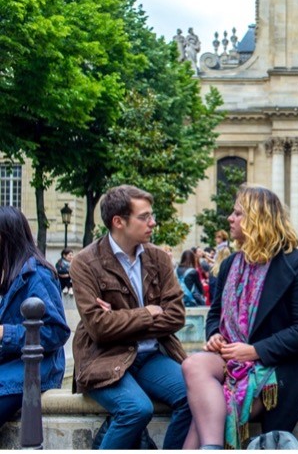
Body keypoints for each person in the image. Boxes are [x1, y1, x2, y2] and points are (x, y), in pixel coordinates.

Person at [181, 184, 298, 449]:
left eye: (238, 213)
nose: (230, 219)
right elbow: (215, 315)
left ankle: (210, 446)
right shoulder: (231, 264)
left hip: (277, 365)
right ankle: (212, 448)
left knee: (207, 415)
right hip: (233, 360)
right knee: (192, 365)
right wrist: (214, 337)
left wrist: (255, 350)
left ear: (259, 220)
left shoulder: (297, 264)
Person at [70, 185, 191, 449]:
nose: (153, 222)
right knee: (136, 409)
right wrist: (146, 313)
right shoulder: (84, 262)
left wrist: (120, 320)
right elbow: (98, 328)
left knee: (195, 396)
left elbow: (176, 316)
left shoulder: (158, 258)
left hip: (150, 356)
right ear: (118, 222)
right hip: (104, 357)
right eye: (144, 216)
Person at [0, 206, 70, 427]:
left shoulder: (37, 275)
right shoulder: (12, 271)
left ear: (5, 238)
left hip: (36, 371)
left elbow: (56, 331)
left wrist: (5, 333)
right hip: (14, 366)